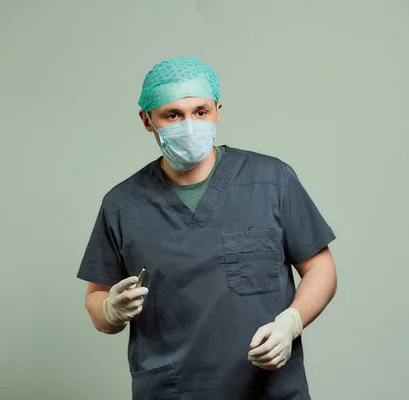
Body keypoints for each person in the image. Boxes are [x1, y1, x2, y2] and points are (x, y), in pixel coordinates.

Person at [77, 56, 337, 399]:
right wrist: (110, 309)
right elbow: (96, 301)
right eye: (172, 115)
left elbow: (321, 267)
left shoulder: (271, 180)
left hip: (269, 388)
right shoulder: (122, 205)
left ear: (217, 109)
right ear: (146, 120)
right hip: (176, 390)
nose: (189, 125)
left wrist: (291, 322)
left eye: (200, 112)